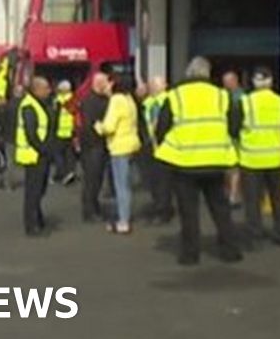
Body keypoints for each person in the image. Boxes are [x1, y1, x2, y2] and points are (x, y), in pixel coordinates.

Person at [156, 57, 242, 266]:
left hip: (184, 162)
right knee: (220, 208)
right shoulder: (222, 96)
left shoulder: (175, 96)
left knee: (189, 211)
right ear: (207, 73)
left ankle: (190, 254)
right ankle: (230, 250)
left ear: (189, 73)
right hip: (215, 160)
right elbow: (234, 125)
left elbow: (162, 127)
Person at [235, 67, 280, 246]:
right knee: (278, 199)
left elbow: (234, 128)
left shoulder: (245, 103)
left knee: (252, 202)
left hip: (251, 160)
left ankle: (254, 235)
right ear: (271, 82)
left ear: (253, 82)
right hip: (275, 159)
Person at [96, 73, 141, 234]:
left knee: (120, 186)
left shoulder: (116, 100)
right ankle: (122, 218)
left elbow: (109, 126)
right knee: (125, 185)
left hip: (119, 146)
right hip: (131, 144)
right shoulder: (129, 99)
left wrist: (98, 126)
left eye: (108, 82)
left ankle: (123, 221)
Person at [16, 77, 53, 236]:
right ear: (37, 89)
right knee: (33, 192)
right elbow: (31, 134)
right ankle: (32, 225)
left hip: (39, 154)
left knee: (39, 190)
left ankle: (37, 219)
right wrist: (43, 149)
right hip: (33, 155)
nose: (48, 91)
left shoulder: (38, 104)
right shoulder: (29, 106)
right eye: (45, 88)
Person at [79, 72, 111, 222]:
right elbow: (89, 124)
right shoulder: (90, 101)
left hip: (99, 145)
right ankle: (89, 211)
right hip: (93, 146)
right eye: (106, 83)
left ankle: (94, 206)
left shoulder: (102, 99)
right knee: (92, 179)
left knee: (96, 179)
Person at [143, 75, 174, 224]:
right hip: (150, 145)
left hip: (165, 145)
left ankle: (163, 211)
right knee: (153, 181)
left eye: (156, 85)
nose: (153, 88)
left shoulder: (170, 101)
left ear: (165, 85)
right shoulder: (147, 103)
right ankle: (158, 206)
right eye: (151, 85)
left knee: (164, 182)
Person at [222, 70, 245, 209]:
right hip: (227, 136)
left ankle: (233, 195)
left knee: (234, 168)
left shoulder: (240, 97)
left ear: (235, 80)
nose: (225, 84)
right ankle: (231, 194)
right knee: (229, 168)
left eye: (227, 81)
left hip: (236, 137)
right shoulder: (225, 95)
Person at [51, 80, 77, 185]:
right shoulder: (74, 100)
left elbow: (54, 117)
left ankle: (60, 173)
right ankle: (70, 171)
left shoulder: (58, 101)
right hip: (71, 131)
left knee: (58, 154)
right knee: (70, 153)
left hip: (60, 131)